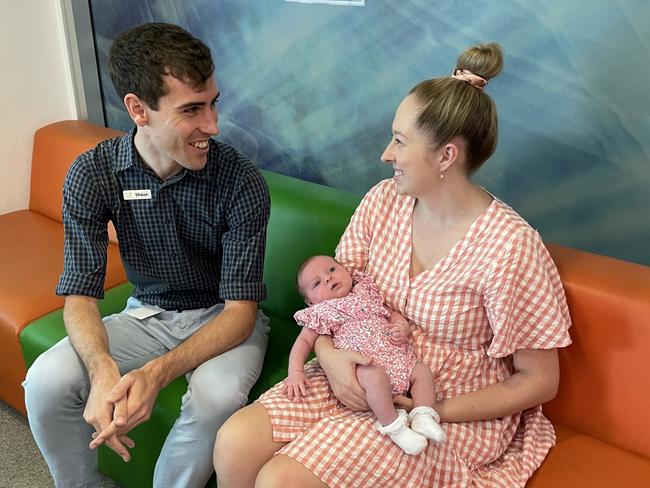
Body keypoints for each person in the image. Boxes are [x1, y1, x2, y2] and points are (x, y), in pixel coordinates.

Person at [214, 41, 572, 488]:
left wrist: (431, 409)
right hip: (359, 359)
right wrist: (330, 357)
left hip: (446, 399)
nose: (386, 154)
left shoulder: (511, 248)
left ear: (446, 156)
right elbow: (332, 301)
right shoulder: (384, 200)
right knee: (233, 444)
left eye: (400, 141)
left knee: (281, 480)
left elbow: (539, 381)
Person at [23, 23, 271, 488]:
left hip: (224, 316)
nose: (213, 126)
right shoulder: (93, 173)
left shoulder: (240, 181)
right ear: (138, 109)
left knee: (215, 397)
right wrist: (102, 370)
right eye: (192, 110)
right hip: (148, 314)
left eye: (213, 103)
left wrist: (156, 374)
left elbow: (241, 312)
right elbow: (79, 293)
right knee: (46, 380)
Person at [286, 255, 445, 455]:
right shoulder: (322, 313)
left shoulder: (366, 292)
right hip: (366, 368)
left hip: (398, 359)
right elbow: (303, 342)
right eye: (317, 283)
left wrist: (401, 325)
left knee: (421, 372)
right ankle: (395, 428)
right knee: (374, 376)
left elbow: (389, 313)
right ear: (310, 302)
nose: (328, 278)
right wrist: (295, 372)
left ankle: (423, 416)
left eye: (332, 270)